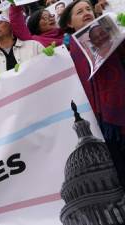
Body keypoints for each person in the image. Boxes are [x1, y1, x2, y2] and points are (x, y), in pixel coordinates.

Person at [59, 0, 125, 188]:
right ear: (69, 23)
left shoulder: (113, 31)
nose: (86, 12)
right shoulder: (66, 51)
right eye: (79, 11)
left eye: (88, 9)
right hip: (100, 119)